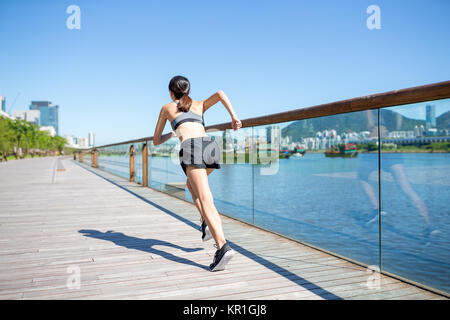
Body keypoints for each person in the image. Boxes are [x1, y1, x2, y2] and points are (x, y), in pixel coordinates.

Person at [152, 75, 242, 271]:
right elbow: (220, 93)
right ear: (188, 91)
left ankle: (222, 246)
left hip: (192, 149)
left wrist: (171, 134)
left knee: (205, 198)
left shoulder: (166, 108)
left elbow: (156, 140)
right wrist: (234, 117)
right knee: (192, 187)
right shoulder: (199, 104)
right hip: (210, 147)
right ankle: (206, 223)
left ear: (170, 92)